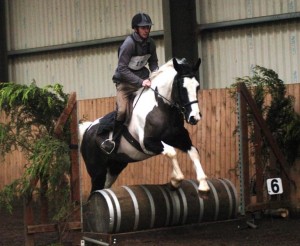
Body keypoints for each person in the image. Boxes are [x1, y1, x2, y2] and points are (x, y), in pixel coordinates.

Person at [98, 12, 159, 154]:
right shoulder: (129, 44)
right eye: (143, 28)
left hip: (143, 81)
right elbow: (122, 69)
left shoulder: (151, 43)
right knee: (122, 111)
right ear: (136, 29)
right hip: (125, 84)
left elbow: (153, 62)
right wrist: (140, 81)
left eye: (148, 27)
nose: (146, 30)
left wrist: (155, 74)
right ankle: (113, 140)